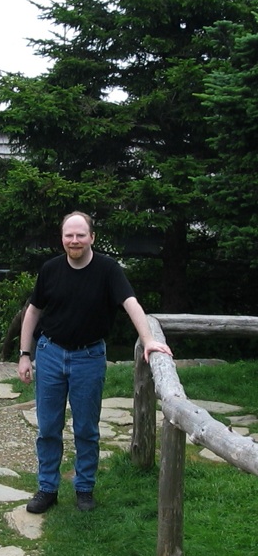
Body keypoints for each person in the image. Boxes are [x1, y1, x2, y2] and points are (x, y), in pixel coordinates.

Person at [18, 211, 172, 513]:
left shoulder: (108, 270)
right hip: (49, 354)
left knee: (86, 428)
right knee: (48, 427)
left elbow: (131, 304)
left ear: (92, 237)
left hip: (89, 357)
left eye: (80, 235)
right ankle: (47, 488)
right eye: (68, 235)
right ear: (62, 238)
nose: (74, 240)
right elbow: (33, 311)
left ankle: (84, 489)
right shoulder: (50, 269)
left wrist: (149, 340)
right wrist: (26, 354)